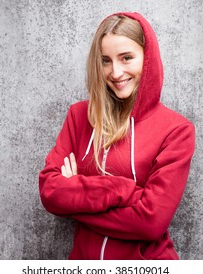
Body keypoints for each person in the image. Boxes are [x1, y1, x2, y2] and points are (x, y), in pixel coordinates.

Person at [39, 12, 195, 260]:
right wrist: (123, 190)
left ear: (148, 58)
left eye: (126, 58)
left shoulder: (176, 130)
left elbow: (150, 222)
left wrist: (74, 198)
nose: (115, 72)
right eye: (106, 61)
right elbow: (50, 193)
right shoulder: (79, 116)